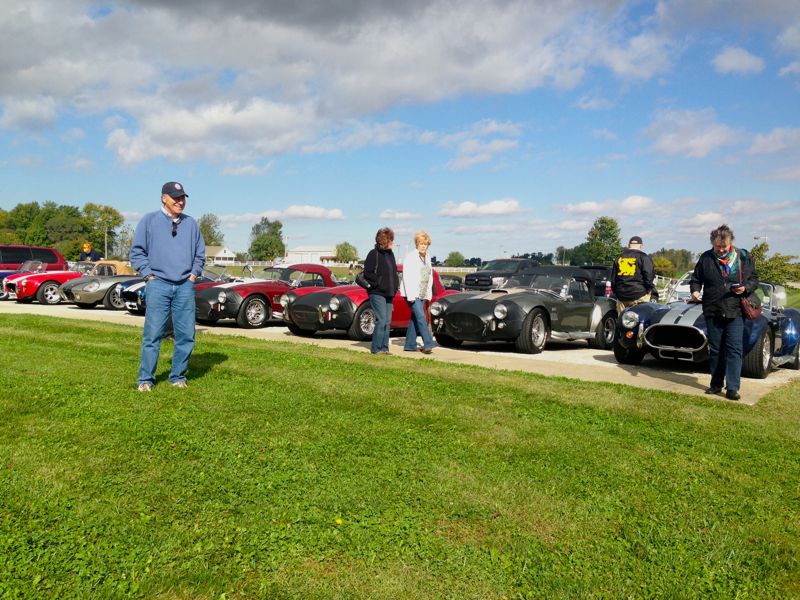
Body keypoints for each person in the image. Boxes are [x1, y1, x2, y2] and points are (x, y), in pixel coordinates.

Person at [130, 181, 205, 392]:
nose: (180, 202)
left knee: (186, 335)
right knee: (153, 335)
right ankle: (145, 379)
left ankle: (177, 376)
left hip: (184, 286)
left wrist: (193, 275)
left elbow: (200, 254)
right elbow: (137, 252)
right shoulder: (149, 221)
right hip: (158, 285)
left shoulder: (191, 224)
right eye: (176, 198)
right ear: (164, 198)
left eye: (182, 198)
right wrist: (148, 275)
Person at [690, 224, 759, 401]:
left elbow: (754, 279)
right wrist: (695, 291)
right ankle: (716, 383)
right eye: (717, 247)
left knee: (734, 349)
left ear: (731, 243)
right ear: (712, 244)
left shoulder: (743, 257)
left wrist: (745, 288)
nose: (721, 250)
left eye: (724, 247)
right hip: (712, 309)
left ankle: (733, 388)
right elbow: (696, 279)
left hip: (735, 310)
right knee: (716, 349)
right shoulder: (705, 258)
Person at [363, 227, 399, 354]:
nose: (393, 243)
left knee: (387, 322)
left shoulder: (391, 254)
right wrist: (378, 282)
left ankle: (384, 348)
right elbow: (367, 273)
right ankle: (376, 348)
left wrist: (395, 286)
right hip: (377, 293)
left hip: (389, 293)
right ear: (385, 241)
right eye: (391, 240)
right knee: (382, 320)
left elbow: (393, 272)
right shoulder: (373, 254)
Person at [401, 231, 437, 354]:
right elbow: (407, 277)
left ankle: (410, 345)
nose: (423, 246)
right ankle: (428, 343)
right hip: (411, 293)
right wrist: (411, 296)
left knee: (415, 319)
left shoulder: (427, 257)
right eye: (421, 243)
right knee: (421, 317)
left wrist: (428, 294)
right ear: (417, 244)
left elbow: (429, 276)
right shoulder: (411, 257)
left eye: (425, 244)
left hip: (422, 293)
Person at [611, 235, 656, 314]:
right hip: (639, 295)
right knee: (639, 321)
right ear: (641, 246)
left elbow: (613, 279)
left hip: (621, 295)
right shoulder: (644, 257)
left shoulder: (619, 258)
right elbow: (649, 276)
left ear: (628, 245)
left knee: (622, 321)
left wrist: (616, 292)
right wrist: (649, 290)